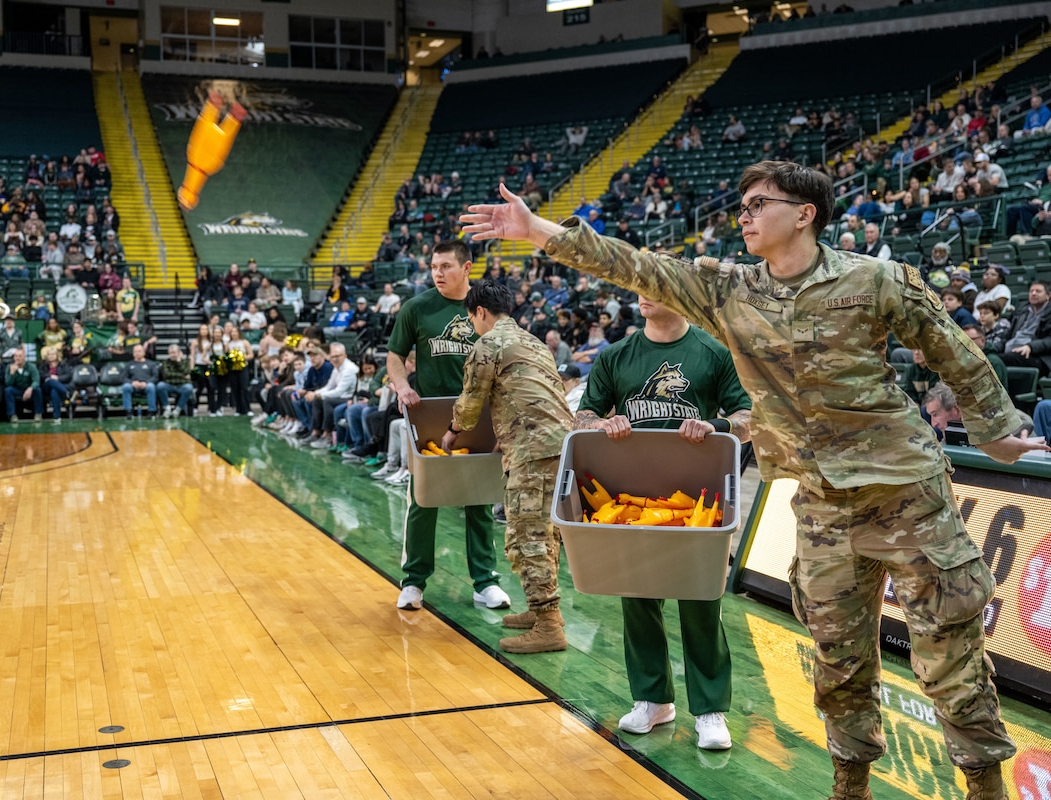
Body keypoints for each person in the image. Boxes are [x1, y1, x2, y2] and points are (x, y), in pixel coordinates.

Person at [461, 162, 1048, 799]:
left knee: (950, 657)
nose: (742, 215)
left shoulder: (876, 278)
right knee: (837, 659)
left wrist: (994, 424)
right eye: (740, 205)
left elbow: (952, 350)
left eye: (758, 203)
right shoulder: (730, 289)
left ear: (805, 214)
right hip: (821, 503)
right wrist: (539, 229)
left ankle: (986, 789)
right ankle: (849, 788)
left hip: (907, 495)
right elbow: (634, 265)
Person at [574, 295, 752, 750]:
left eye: (654, 283)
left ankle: (710, 709)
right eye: (638, 284)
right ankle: (653, 700)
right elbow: (583, 414)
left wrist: (717, 426)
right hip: (632, 497)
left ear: (678, 290)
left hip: (700, 499)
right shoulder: (616, 355)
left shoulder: (714, 352)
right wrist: (601, 426)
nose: (643, 293)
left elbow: (749, 416)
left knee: (700, 601)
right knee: (637, 596)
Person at [440, 280, 572, 653]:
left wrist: (452, 432)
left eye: (471, 319)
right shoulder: (533, 342)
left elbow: (470, 402)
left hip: (532, 452)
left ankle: (548, 626)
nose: (473, 326)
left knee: (526, 536)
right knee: (547, 534)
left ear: (480, 312)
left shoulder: (488, 343)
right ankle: (542, 611)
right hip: (562, 447)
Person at [388, 239, 510, 612]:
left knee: (479, 497)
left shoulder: (487, 308)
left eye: (446, 266)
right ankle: (413, 582)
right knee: (423, 500)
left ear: (467, 267)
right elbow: (395, 356)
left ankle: (485, 582)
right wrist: (403, 385)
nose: (438, 273)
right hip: (430, 414)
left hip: (478, 414)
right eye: (434, 266)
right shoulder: (416, 307)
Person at [121, 344, 160, 417]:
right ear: (133, 353)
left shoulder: (151, 364)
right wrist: (131, 382)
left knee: (151, 386)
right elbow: (123, 378)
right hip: (133, 385)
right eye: (135, 351)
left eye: (139, 351)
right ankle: (128, 411)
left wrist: (146, 383)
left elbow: (155, 377)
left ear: (144, 352)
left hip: (146, 385)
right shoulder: (129, 364)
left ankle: (152, 411)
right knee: (126, 387)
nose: (137, 353)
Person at [4, 347, 43, 422]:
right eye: (16, 356)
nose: (17, 358)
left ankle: (38, 414)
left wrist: (30, 388)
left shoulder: (31, 367)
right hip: (17, 390)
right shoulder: (9, 367)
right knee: (8, 390)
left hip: (29, 389)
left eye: (20, 356)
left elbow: (36, 381)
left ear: (24, 357)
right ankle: (12, 415)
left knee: (38, 390)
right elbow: (8, 383)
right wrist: (12, 374)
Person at [157, 343, 195, 417]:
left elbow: (187, 372)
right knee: (160, 386)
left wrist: (178, 362)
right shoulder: (166, 362)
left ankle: (178, 410)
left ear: (179, 353)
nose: (172, 355)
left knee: (189, 387)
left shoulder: (185, 362)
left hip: (182, 386)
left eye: (174, 352)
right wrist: (182, 376)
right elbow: (166, 375)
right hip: (170, 385)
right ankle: (167, 408)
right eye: (170, 353)